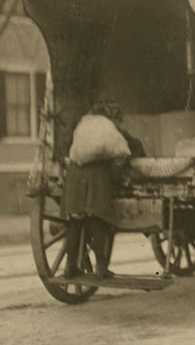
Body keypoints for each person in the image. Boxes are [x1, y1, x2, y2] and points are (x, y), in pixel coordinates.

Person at [62, 100, 144, 279]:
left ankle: (69, 267)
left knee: (75, 222)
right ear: (113, 117)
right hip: (96, 175)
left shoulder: (84, 123)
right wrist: (119, 175)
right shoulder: (110, 128)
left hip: (74, 174)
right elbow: (128, 151)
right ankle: (100, 266)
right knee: (98, 220)